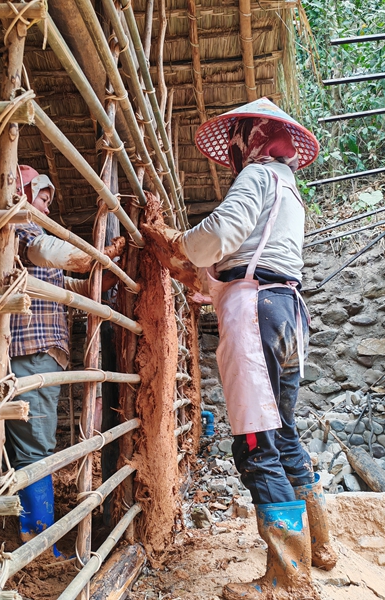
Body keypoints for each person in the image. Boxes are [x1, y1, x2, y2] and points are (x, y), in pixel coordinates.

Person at [142, 98, 336, 600]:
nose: (231, 150)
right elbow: (249, 253)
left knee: (255, 442)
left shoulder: (256, 177)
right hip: (288, 313)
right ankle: (320, 545)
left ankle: (287, 580)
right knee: (284, 431)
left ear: (248, 137)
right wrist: (204, 272)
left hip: (256, 313)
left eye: (237, 138)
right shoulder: (289, 189)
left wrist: (180, 243)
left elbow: (220, 237)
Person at [0, 165, 121, 545]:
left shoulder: (10, 240)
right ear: (20, 194)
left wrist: (95, 276)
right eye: (42, 198)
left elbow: (61, 279)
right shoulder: (18, 227)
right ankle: (40, 540)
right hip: (26, 352)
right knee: (35, 448)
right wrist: (98, 256)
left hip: (5, 353)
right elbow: (49, 251)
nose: (48, 210)